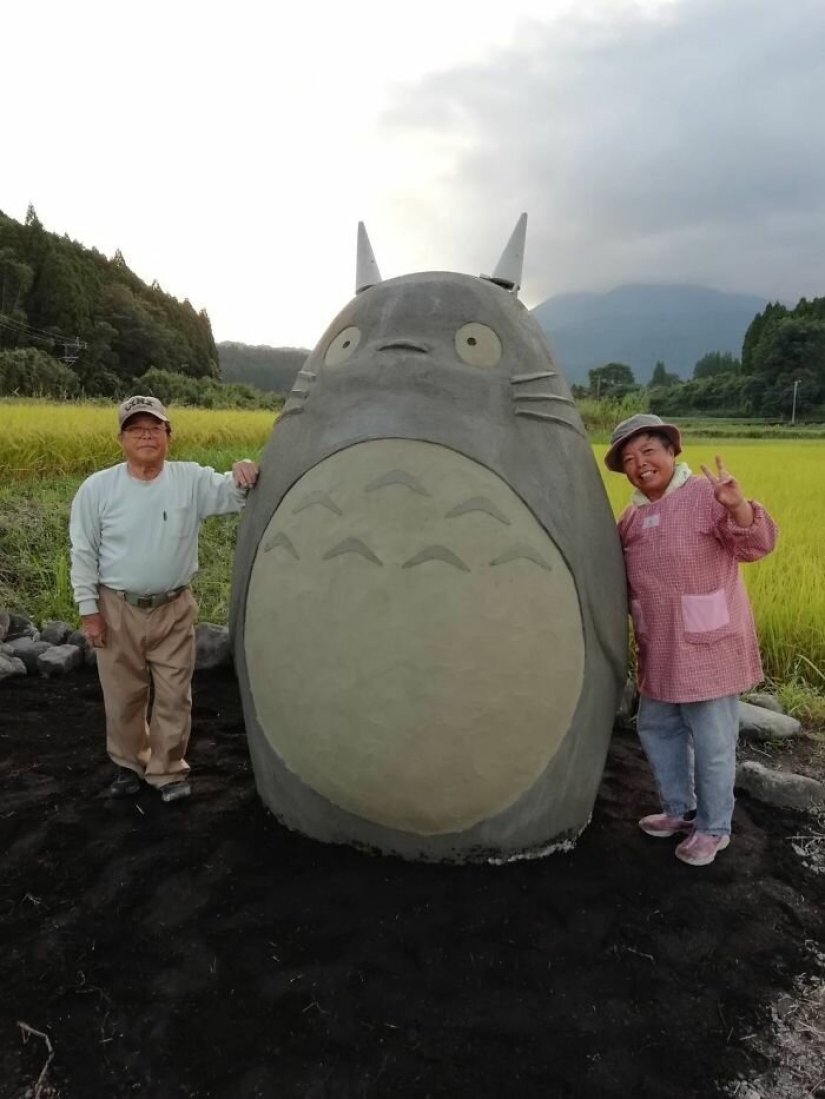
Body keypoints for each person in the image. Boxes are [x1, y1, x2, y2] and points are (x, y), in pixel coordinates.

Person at [604, 413, 778, 867]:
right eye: (628, 458)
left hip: (709, 648)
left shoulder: (704, 495)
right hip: (659, 648)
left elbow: (756, 545)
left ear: (670, 451)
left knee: (712, 743)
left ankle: (714, 827)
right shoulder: (631, 517)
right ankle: (680, 811)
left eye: (648, 451)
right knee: (658, 729)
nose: (640, 464)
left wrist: (738, 508)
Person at [70, 394, 260, 803]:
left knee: (175, 695)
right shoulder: (97, 489)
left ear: (168, 436)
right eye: (136, 429)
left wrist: (244, 468)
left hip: (173, 608)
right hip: (116, 607)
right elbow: (83, 552)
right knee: (123, 696)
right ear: (121, 439)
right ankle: (128, 766)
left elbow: (234, 491)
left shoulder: (189, 479)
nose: (146, 436)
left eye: (155, 428)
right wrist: (89, 611)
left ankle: (168, 771)